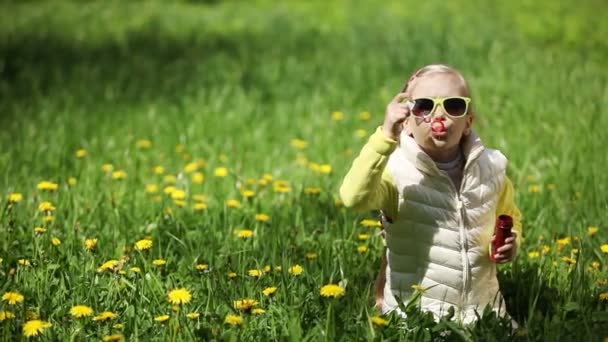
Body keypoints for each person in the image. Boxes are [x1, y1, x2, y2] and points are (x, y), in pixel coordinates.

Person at [339, 64, 522, 324]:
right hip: (416, 320)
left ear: (468, 122)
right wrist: (384, 136)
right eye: (424, 105)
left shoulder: (491, 169)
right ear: (407, 124)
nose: (440, 116)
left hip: (486, 317)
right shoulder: (397, 172)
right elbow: (352, 197)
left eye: (454, 106)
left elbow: (510, 217)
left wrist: (511, 243)